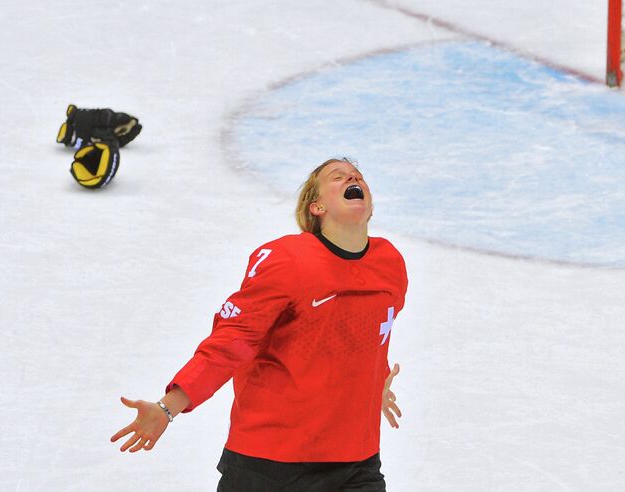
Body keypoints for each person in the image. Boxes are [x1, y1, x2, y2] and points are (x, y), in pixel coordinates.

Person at [111, 157, 408, 492]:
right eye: (337, 177)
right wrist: (169, 407)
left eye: (357, 176)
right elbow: (233, 339)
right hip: (270, 465)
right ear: (317, 207)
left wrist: (376, 381)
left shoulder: (390, 264)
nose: (352, 178)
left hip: (356, 463)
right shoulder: (288, 260)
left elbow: (370, 333)